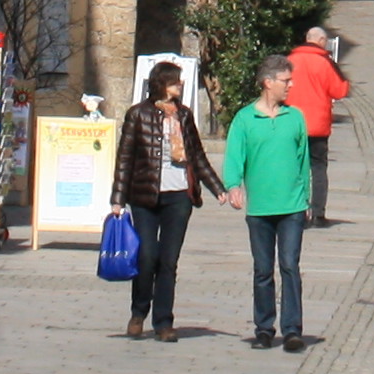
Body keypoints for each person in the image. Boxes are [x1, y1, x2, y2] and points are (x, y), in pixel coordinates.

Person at [113, 60, 217, 341]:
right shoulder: (138, 115)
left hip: (179, 196)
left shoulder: (184, 116)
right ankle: (138, 311)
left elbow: (196, 156)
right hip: (145, 196)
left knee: (168, 261)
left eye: (180, 81)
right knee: (147, 256)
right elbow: (125, 159)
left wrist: (218, 189)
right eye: (174, 81)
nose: (180, 85)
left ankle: (163, 322)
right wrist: (118, 199)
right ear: (161, 84)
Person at [226, 51, 315, 349]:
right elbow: (235, 157)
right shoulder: (245, 119)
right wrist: (233, 185)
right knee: (263, 269)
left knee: (290, 265)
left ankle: (292, 329)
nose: (290, 86)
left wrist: (307, 200)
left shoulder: (295, 117)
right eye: (285, 81)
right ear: (268, 82)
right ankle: (264, 328)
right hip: (261, 208)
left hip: (292, 207)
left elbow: (304, 162)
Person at [287, 24, 351, 227]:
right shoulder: (325, 62)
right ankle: (317, 214)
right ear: (322, 42)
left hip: (292, 124)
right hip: (317, 125)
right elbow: (340, 90)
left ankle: (294, 212)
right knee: (318, 168)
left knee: (295, 169)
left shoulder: (290, 60)